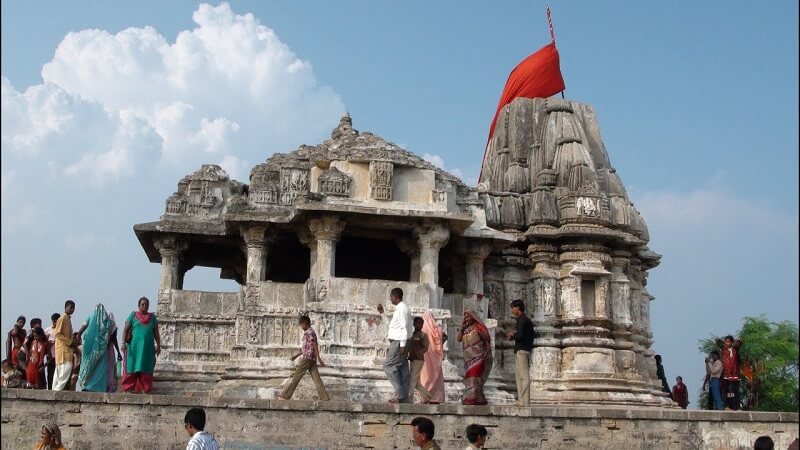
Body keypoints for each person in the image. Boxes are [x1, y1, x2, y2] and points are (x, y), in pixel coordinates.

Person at [276, 315, 329, 401]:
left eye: (301, 325)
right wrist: (296, 356)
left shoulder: (310, 333)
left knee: (296, 375)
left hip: (307, 358)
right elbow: (305, 349)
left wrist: (319, 357)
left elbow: (315, 345)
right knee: (316, 379)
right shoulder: (309, 332)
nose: (301, 327)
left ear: (305, 323)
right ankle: (324, 397)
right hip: (311, 359)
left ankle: (285, 396)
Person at [377, 287, 412, 403]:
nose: (390, 298)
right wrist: (382, 313)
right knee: (403, 369)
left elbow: (404, 327)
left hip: (399, 342)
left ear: (396, 297)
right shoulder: (400, 309)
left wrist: (402, 345)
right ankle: (404, 397)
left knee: (388, 366)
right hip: (399, 341)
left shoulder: (402, 309)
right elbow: (393, 325)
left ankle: (399, 394)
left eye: (391, 296)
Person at [121, 296, 161, 394]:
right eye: (142, 304)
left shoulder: (152, 318)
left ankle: (145, 389)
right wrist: (123, 343)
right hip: (134, 348)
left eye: (146, 305)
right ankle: (129, 389)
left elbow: (156, 333)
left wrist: (159, 345)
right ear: (139, 305)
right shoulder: (133, 315)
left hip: (147, 349)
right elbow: (126, 329)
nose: (144, 306)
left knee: (146, 368)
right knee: (132, 366)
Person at [77, 304, 116, 392]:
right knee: (100, 369)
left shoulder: (91, 316)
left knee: (88, 365)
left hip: (90, 347)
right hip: (102, 348)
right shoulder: (107, 321)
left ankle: (87, 385)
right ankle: (97, 386)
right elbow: (110, 334)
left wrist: (79, 335)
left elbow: (83, 326)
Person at [457, 310, 492, 405]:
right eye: (465, 317)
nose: (467, 319)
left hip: (479, 357)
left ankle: (471, 398)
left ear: (473, 317)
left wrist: (486, 353)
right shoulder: (465, 329)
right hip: (468, 359)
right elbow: (458, 339)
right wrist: (462, 328)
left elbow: (487, 339)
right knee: (471, 377)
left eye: (468, 316)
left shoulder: (479, 327)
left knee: (474, 377)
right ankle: (479, 399)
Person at [505, 300, 533, 406]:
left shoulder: (523, 321)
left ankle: (525, 401)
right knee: (518, 376)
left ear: (518, 308)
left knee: (524, 376)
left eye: (513, 308)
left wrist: (512, 335)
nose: (512, 310)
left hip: (522, 350)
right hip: (521, 350)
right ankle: (521, 400)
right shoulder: (523, 320)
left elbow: (520, 336)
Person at [419, 310, 446, 404]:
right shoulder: (437, 329)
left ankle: (425, 397)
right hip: (436, 358)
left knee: (425, 377)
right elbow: (443, 338)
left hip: (425, 357)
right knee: (436, 376)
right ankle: (437, 398)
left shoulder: (422, 329)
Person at [407, 316, 432, 404]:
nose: (418, 325)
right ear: (414, 324)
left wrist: (419, 353)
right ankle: (427, 396)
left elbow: (426, 347)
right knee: (416, 383)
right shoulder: (411, 335)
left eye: (420, 324)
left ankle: (409, 399)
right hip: (412, 359)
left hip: (418, 360)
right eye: (417, 323)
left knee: (412, 379)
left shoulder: (423, 335)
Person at [52, 301, 77, 391]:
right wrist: (70, 342)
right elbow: (58, 333)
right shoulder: (62, 318)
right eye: (71, 307)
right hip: (63, 350)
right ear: (65, 307)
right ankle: (57, 390)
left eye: (73, 308)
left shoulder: (68, 319)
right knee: (65, 370)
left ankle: (55, 389)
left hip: (66, 350)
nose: (72, 310)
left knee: (61, 371)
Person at [716, 335, 743, 410]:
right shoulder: (724, 349)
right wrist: (721, 340)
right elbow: (717, 341)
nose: (727, 343)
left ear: (731, 342)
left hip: (734, 373)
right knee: (725, 390)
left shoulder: (735, 349)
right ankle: (726, 406)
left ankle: (737, 407)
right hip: (726, 373)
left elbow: (739, 343)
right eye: (726, 342)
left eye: (728, 342)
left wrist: (738, 340)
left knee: (735, 391)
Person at [45, 313, 60, 390]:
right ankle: (50, 388)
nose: (54, 323)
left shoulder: (61, 329)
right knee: (50, 372)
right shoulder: (48, 330)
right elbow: (44, 341)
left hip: (59, 354)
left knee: (57, 372)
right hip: (50, 354)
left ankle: (56, 388)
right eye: (53, 321)